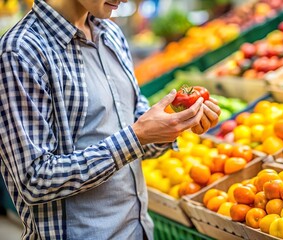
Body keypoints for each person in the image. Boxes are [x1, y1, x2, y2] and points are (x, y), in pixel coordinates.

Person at [0, 0, 220, 239]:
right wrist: (137, 136)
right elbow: (35, 180)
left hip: (139, 231)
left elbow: (134, 132)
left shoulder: (110, 33)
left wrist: (175, 125)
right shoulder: (20, 51)